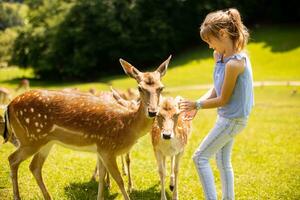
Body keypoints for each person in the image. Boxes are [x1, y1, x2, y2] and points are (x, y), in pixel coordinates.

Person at [179, 8, 254, 200]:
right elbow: (217, 89)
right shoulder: (220, 57)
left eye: (210, 42)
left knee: (199, 158)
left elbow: (223, 99)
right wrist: (198, 105)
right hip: (228, 118)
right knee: (222, 160)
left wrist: (196, 104)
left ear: (222, 34)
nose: (209, 47)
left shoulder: (235, 63)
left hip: (232, 120)